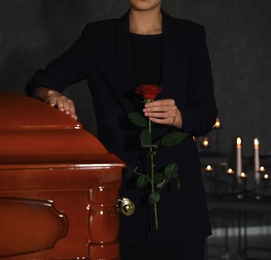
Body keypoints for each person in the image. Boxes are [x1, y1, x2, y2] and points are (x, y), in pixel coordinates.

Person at [25, 0, 218, 259]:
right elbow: (41, 81)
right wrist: (51, 94)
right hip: (120, 196)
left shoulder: (191, 35)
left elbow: (206, 113)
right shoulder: (98, 37)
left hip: (180, 200)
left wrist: (179, 116)